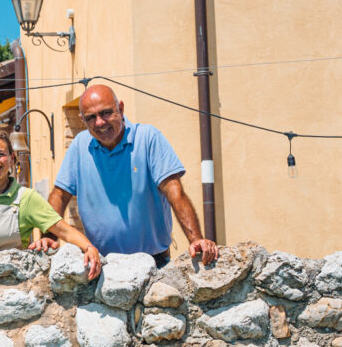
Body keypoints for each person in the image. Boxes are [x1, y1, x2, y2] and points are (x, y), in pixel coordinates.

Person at [48, 85, 218, 268]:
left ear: (120, 109)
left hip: (154, 263)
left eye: (106, 113)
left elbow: (174, 191)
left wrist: (196, 239)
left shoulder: (147, 138)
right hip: (101, 265)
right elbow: (60, 195)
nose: (99, 123)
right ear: (82, 120)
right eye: (91, 118)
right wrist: (48, 237)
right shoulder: (79, 145)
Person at [0, 128, 101, 279]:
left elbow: (64, 230)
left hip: (9, 287)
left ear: (12, 158)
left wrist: (89, 248)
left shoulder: (27, 198)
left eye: (0, 154)